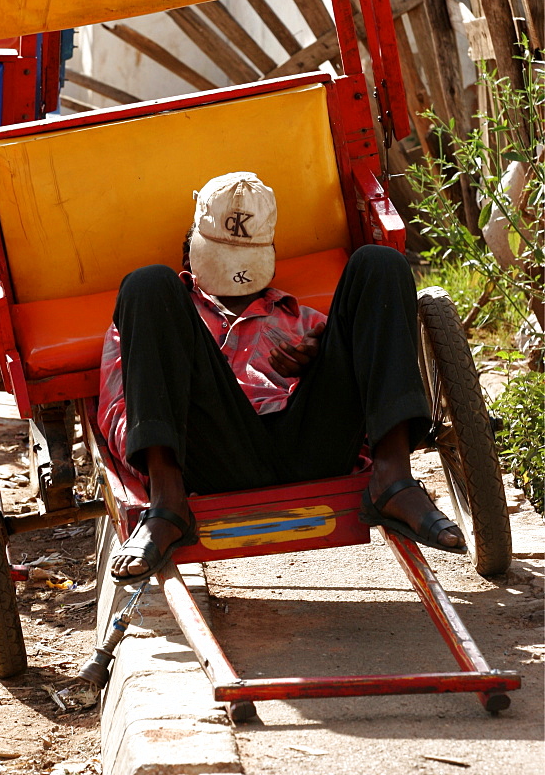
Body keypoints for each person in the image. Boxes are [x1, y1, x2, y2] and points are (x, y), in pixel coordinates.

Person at [98, 172, 466, 586]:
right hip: (214, 454)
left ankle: (394, 478)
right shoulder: (158, 316)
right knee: (144, 281)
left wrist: (309, 373)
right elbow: (117, 414)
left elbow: (363, 394)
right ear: (190, 255)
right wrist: (178, 408)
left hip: (311, 447)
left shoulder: (303, 320)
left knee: (379, 263)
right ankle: (168, 505)